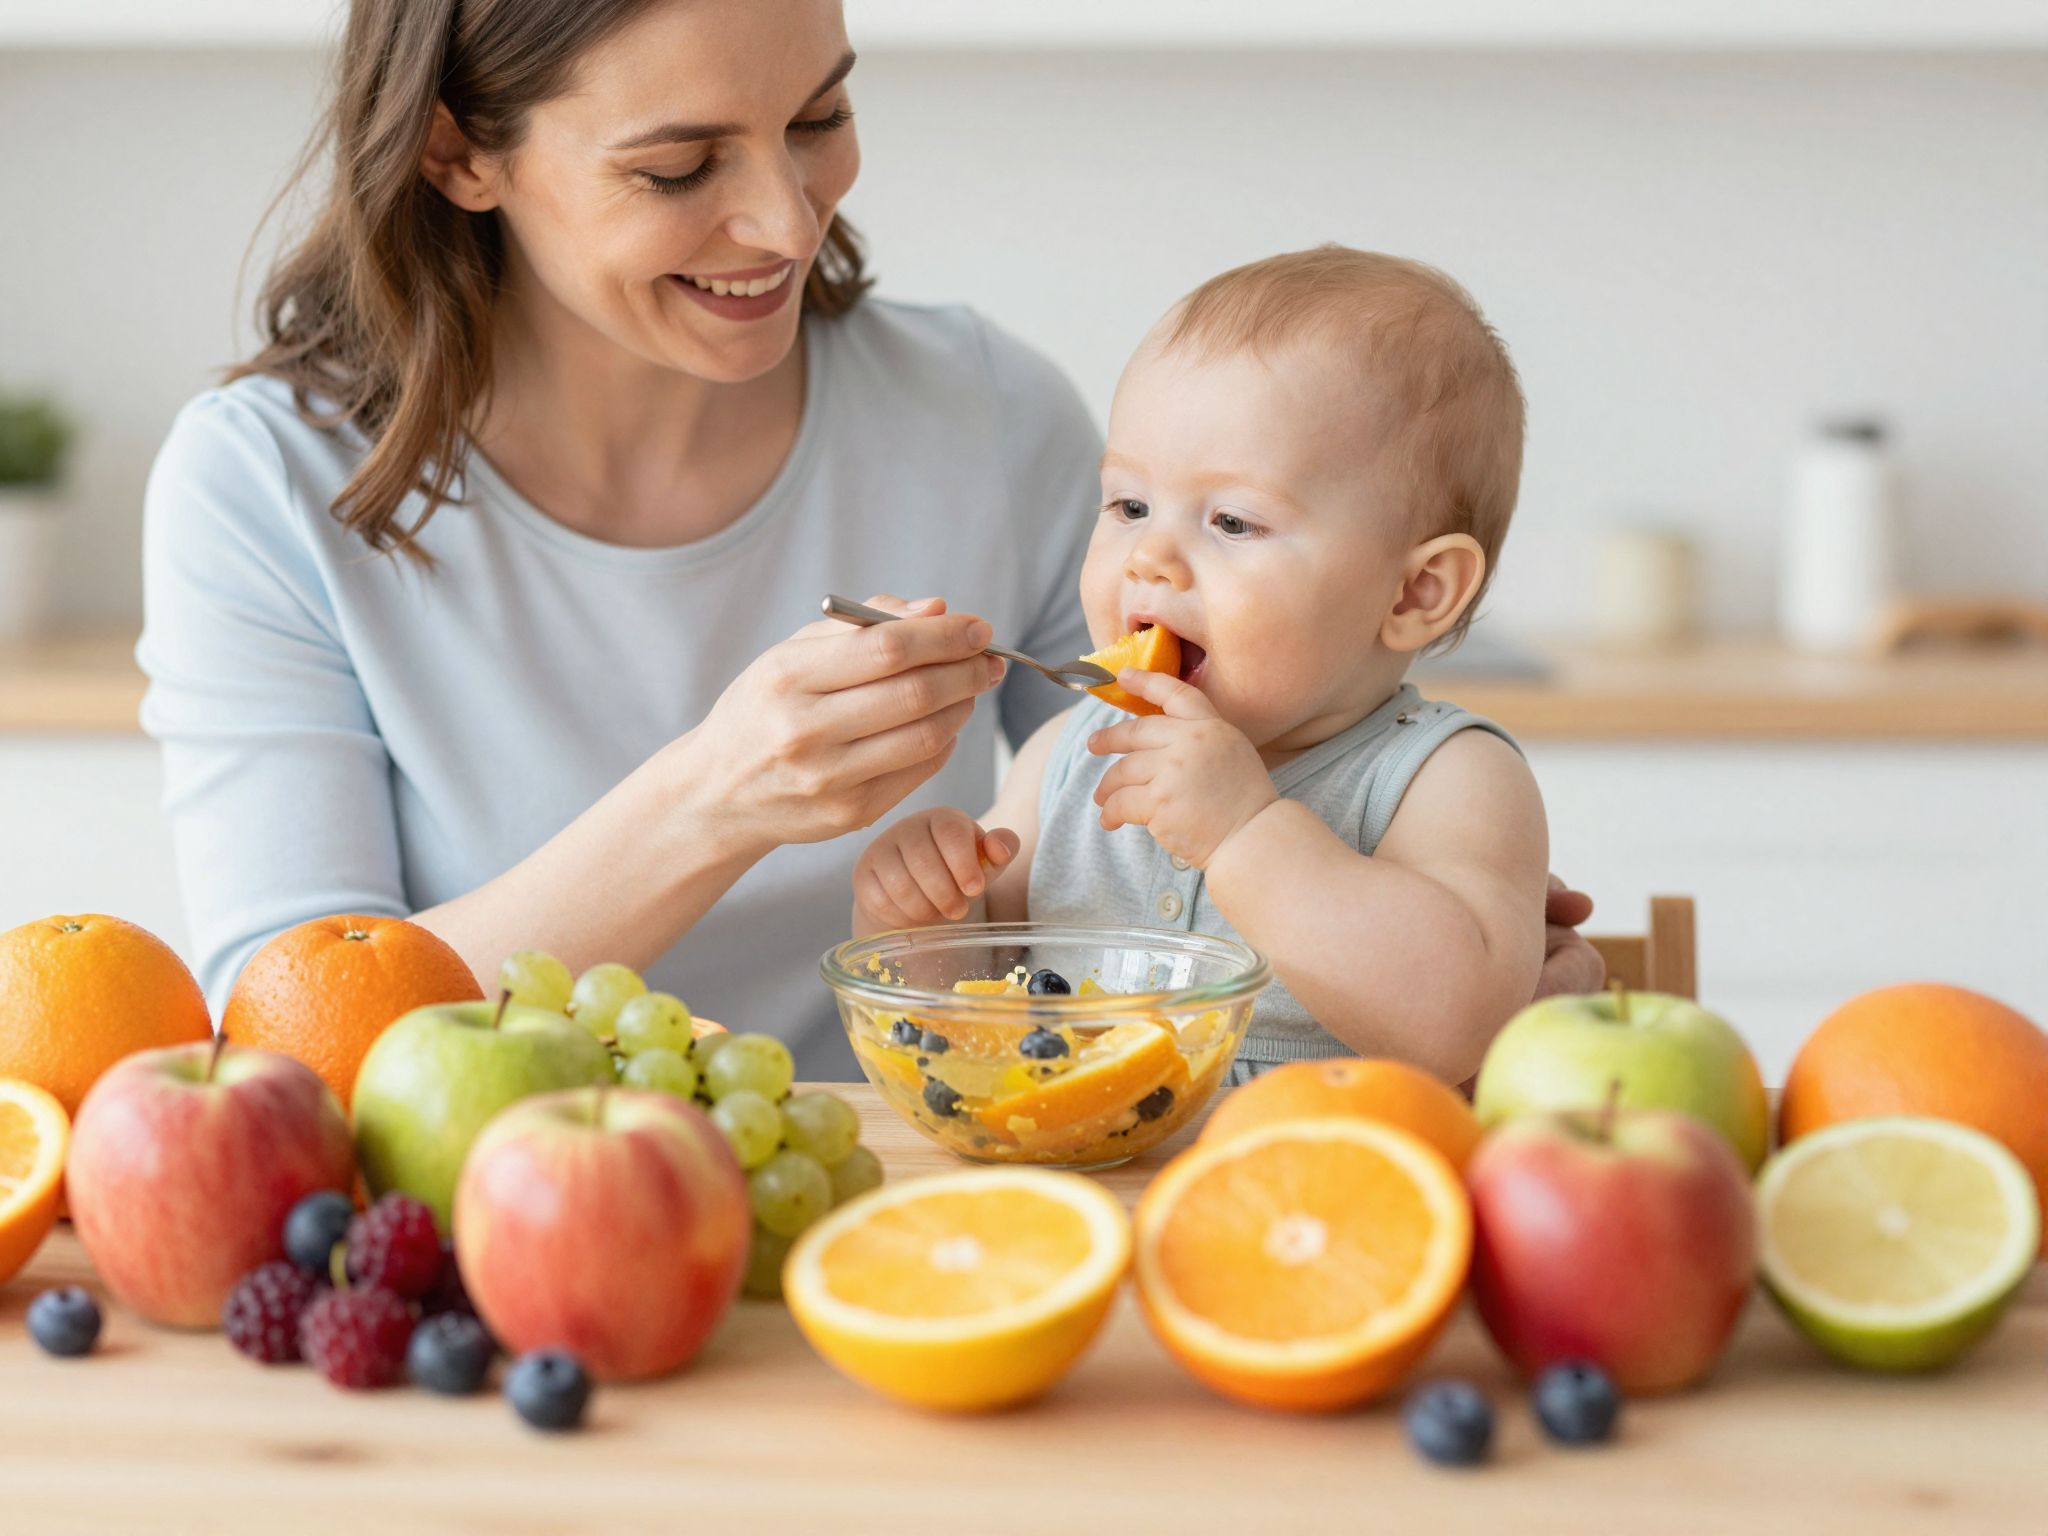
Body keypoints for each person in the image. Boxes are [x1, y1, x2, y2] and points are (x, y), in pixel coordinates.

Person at [138, 0, 1601, 1081]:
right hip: (497, 1241)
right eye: (679, 165)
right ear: (459, 153)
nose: (784, 217)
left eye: (818, 118)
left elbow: (1135, 859)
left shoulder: (986, 410)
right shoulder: (263, 487)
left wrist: (1414, 925)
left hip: (932, 1197)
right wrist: (713, 798)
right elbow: (290, 1046)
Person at [854, 248, 1559, 1084]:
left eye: (1230, 521)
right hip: (1086, 1196)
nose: (1149, 556)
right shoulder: (1067, 759)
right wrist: (924, 914)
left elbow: (1461, 1028)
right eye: (1130, 505)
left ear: (1414, 593)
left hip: (1318, 1194)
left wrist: (1245, 834)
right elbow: (974, 1020)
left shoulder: (1448, 779)